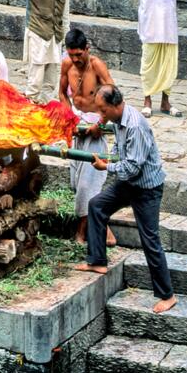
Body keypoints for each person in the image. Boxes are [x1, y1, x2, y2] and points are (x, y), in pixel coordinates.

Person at [74, 84, 176, 314]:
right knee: (96, 206)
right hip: (129, 183)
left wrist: (105, 166)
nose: (101, 115)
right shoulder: (117, 119)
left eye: (102, 110)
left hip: (146, 187)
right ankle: (97, 260)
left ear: (114, 105)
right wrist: (98, 124)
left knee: (150, 239)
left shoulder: (136, 126)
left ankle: (167, 295)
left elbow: (131, 167)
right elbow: (118, 148)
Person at [58, 28, 117, 248]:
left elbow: (113, 96)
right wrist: (69, 117)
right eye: (71, 55)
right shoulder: (66, 65)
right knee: (77, 183)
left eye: (79, 55)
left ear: (87, 49)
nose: (75, 59)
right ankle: (104, 229)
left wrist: (100, 123)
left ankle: (80, 233)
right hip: (77, 128)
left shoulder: (97, 66)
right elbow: (62, 93)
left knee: (86, 185)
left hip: (95, 129)